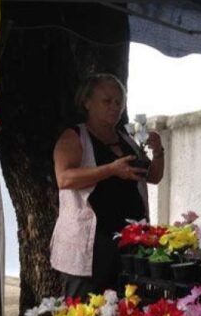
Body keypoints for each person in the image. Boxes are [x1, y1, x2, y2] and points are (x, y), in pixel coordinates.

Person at [50, 73, 164, 297]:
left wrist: (158, 151)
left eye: (118, 102)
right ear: (87, 102)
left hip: (130, 242)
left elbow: (152, 176)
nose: (114, 107)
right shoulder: (74, 137)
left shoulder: (127, 139)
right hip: (92, 246)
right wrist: (111, 170)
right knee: (85, 315)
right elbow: (64, 179)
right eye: (107, 101)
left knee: (128, 307)